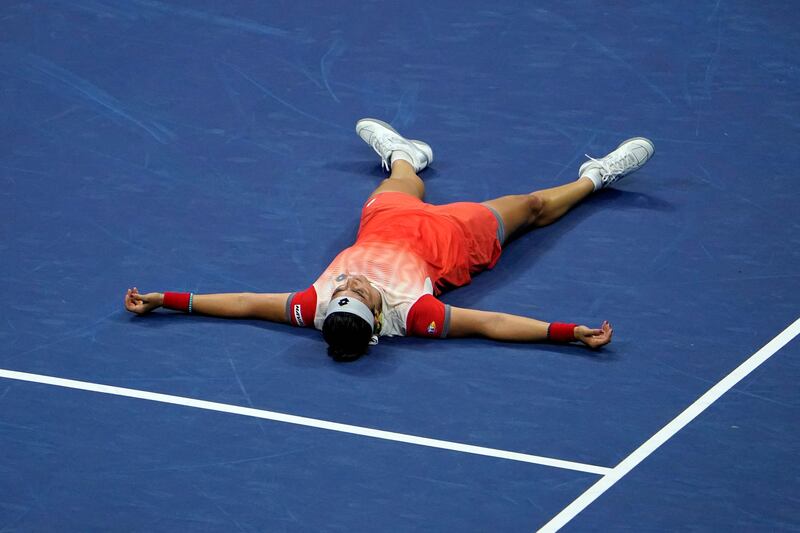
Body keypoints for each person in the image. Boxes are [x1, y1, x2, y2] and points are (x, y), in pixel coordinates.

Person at [125, 118, 654, 361]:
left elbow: (241, 304)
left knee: (402, 181)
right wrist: (567, 332)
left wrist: (167, 300)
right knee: (533, 208)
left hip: (385, 225)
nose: (350, 282)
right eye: (360, 293)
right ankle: (599, 175)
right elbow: (492, 323)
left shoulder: (314, 306)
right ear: (379, 318)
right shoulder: (416, 317)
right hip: (453, 240)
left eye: (343, 290)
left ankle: (405, 152)